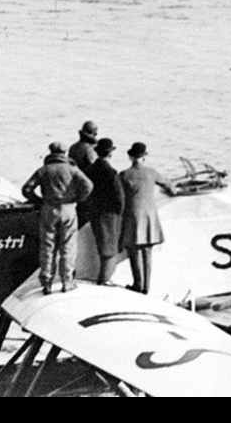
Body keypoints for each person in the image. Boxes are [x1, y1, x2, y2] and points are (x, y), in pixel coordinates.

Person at [21, 141, 93, 295]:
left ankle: (46, 283)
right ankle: (67, 281)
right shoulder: (73, 169)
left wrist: (39, 201)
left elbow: (27, 189)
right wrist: (77, 198)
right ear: (65, 153)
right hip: (68, 209)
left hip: (48, 209)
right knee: (68, 246)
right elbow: (88, 185)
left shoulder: (43, 170)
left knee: (47, 247)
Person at [119, 142, 173, 295]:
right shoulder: (152, 172)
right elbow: (169, 186)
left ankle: (138, 283)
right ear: (144, 157)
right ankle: (146, 286)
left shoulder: (124, 175)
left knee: (134, 250)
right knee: (147, 251)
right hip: (149, 216)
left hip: (132, 215)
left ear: (130, 157)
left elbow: (119, 196)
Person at [87, 137, 126, 286]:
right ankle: (104, 280)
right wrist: (120, 213)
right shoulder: (111, 172)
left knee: (102, 246)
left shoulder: (90, 170)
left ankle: (103, 279)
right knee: (109, 250)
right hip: (109, 214)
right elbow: (119, 196)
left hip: (95, 211)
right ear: (110, 154)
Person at [68, 121, 100, 226]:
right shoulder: (90, 149)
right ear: (94, 133)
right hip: (89, 186)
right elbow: (96, 166)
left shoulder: (73, 147)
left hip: (76, 185)